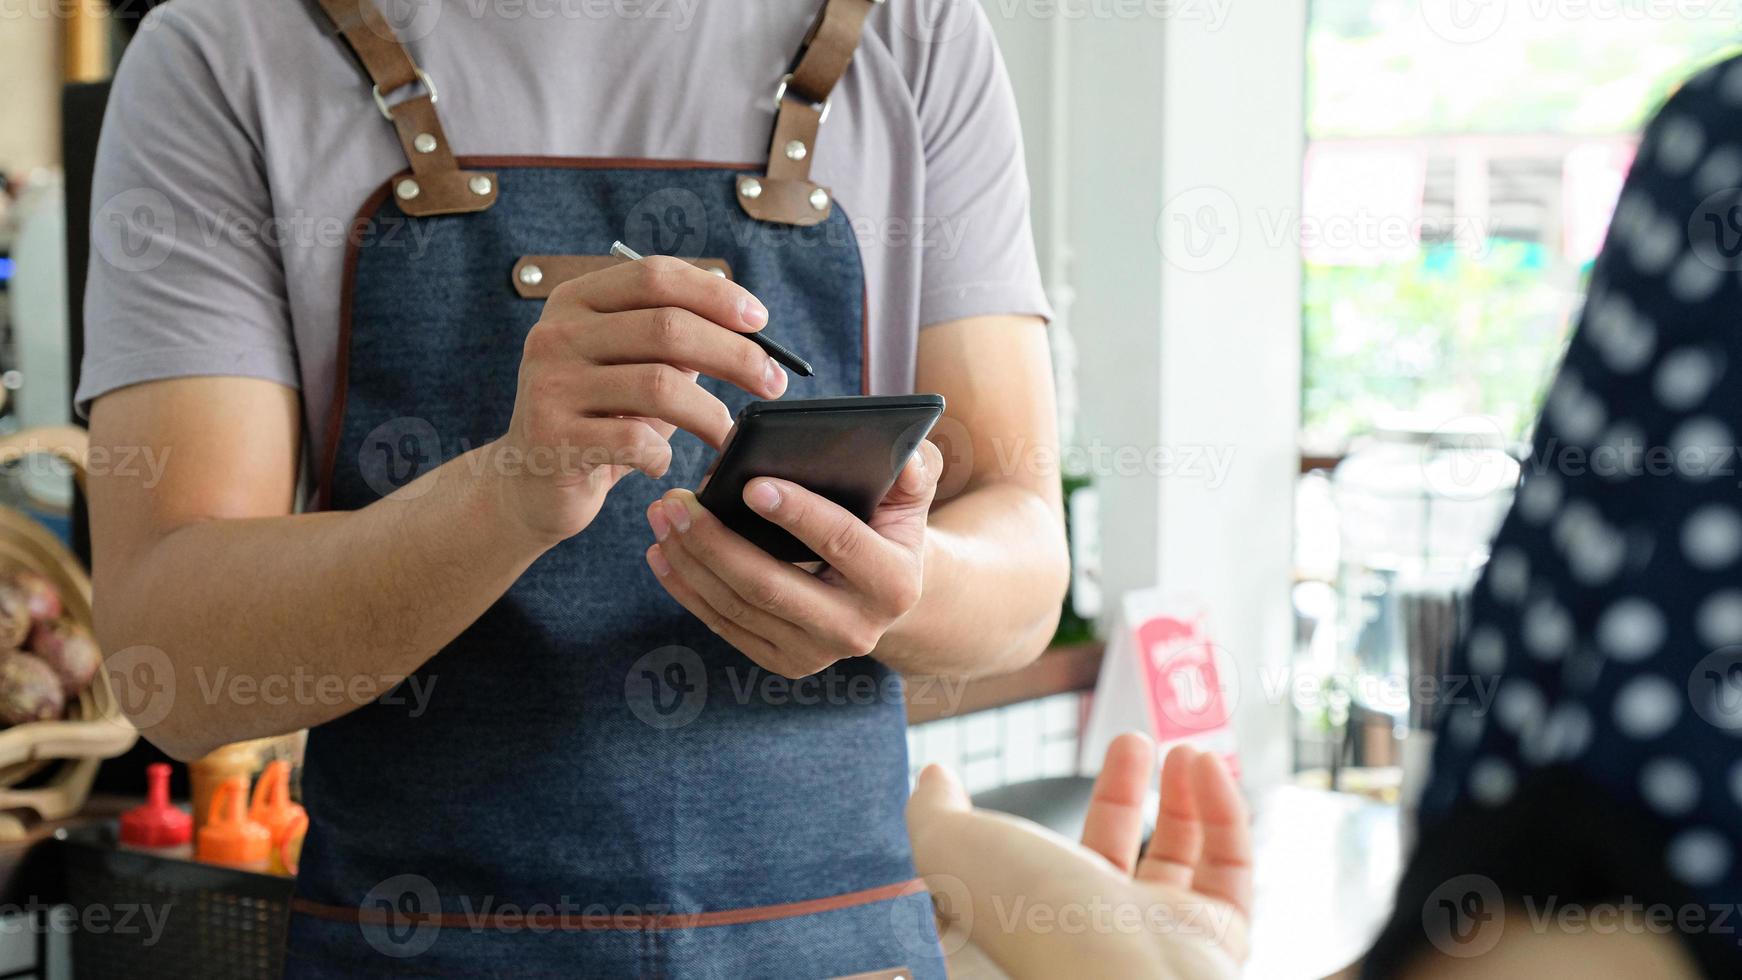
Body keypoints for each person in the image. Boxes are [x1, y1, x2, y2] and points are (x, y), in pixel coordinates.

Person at [80, 0, 1066, 975]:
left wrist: (904, 579)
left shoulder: (911, 32)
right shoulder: (228, 47)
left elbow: (1022, 559)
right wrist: (504, 496)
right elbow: (169, 654)